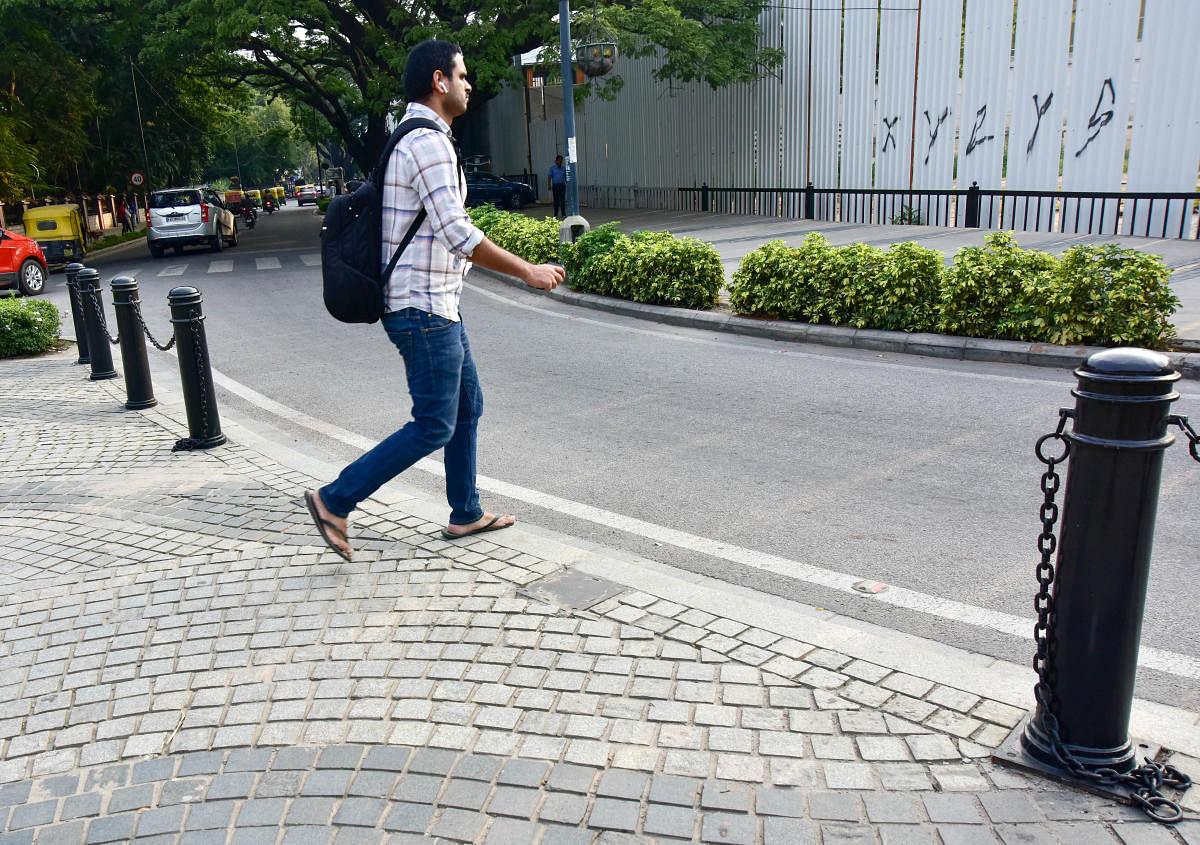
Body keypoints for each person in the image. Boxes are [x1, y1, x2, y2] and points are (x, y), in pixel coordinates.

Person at [304, 39, 565, 561]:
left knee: (467, 406)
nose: (470, 84)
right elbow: (457, 233)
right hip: (423, 309)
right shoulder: (426, 142)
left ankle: (465, 512)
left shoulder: (424, 137)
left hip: (436, 304)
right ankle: (334, 499)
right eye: (463, 75)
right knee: (434, 423)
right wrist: (528, 271)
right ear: (439, 82)